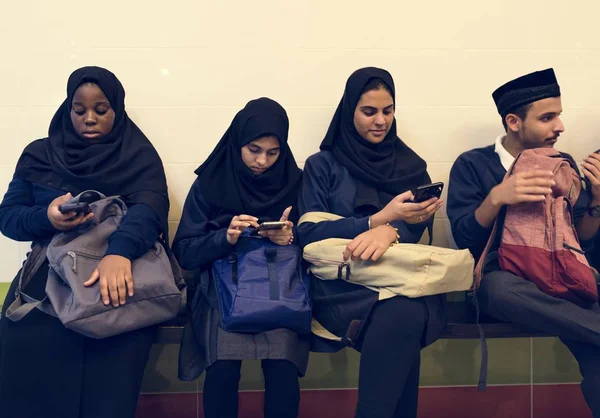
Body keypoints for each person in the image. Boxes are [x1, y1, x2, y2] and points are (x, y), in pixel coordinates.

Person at [0, 66, 170, 418]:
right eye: (79, 111)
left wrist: (118, 253)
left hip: (119, 271)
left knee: (113, 364)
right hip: (49, 275)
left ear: (117, 110)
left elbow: (150, 208)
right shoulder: (40, 154)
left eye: (101, 110)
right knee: (26, 350)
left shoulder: (138, 155)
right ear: (68, 109)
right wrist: (45, 217)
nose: (89, 119)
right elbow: (9, 217)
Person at [447, 68, 600, 417]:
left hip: (561, 276)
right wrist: (497, 198)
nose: (559, 126)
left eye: (559, 115)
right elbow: (465, 239)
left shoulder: (563, 164)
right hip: (506, 281)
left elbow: (583, 241)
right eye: (547, 118)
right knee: (498, 288)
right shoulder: (473, 164)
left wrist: (597, 200)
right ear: (514, 122)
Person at [297, 67, 445, 418]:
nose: (380, 121)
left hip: (398, 277)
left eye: (388, 111)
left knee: (404, 311)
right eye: (369, 112)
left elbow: (417, 225)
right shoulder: (322, 166)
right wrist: (376, 220)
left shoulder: (411, 166)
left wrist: (392, 231)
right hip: (342, 286)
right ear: (349, 111)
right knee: (404, 315)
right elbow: (308, 233)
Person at [173, 97, 307, 418]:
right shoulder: (210, 183)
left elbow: (319, 240)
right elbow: (185, 251)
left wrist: (290, 238)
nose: (262, 161)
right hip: (221, 292)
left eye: (273, 152)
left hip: (280, 291)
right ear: (237, 145)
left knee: (283, 369)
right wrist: (226, 237)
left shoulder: (296, 182)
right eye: (254, 150)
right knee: (221, 370)